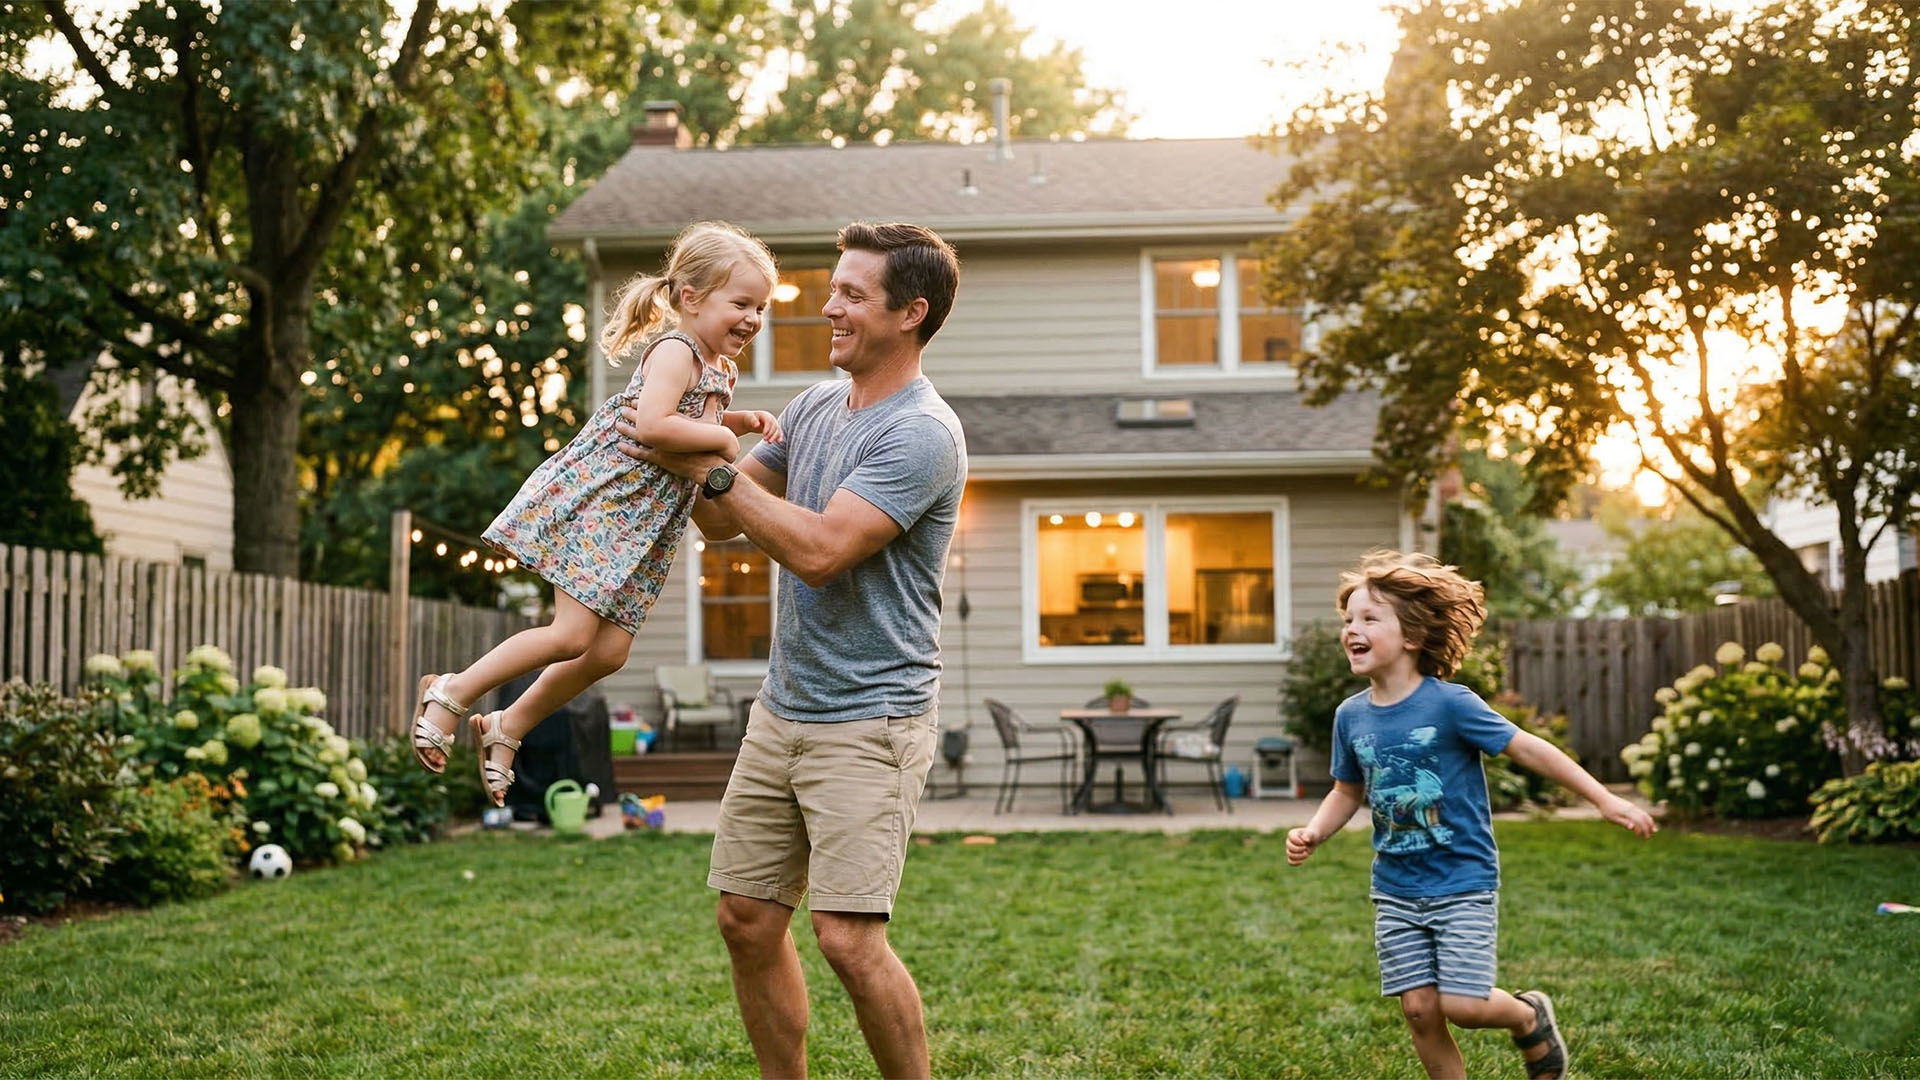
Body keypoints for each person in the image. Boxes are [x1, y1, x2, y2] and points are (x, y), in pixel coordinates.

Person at [614, 221, 965, 1080]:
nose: (829, 306)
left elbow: (818, 549)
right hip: (785, 708)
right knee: (745, 917)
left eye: (851, 293)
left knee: (847, 938)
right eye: (832, 287)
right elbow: (718, 520)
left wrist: (713, 464)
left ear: (910, 312)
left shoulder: (920, 434)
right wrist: (684, 433)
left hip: (870, 720)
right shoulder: (812, 409)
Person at [405, 221, 783, 807]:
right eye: (741, 303)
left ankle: (507, 725)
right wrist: (728, 444)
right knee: (571, 634)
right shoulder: (676, 350)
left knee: (608, 652)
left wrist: (738, 420)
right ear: (690, 298)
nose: (754, 319)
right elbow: (657, 425)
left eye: (760, 308)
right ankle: (451, 691)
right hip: (608, 505)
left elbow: (695, 427)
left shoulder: (720, 369)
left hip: (646, 523)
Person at [1285, 550, 1656, 1080]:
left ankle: (1528, 1014)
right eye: (1348, 620)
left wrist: (1603, 798)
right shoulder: (1352, 715)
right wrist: (1315, 831)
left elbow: (1528, 749)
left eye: (1369, 618)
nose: (1352, 629)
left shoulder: (1450, 704)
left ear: (1411, 636)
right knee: (1419, 1011)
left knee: (1464, 1006)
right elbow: (1347, 790)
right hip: (1395, 887)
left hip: (1462, 880)